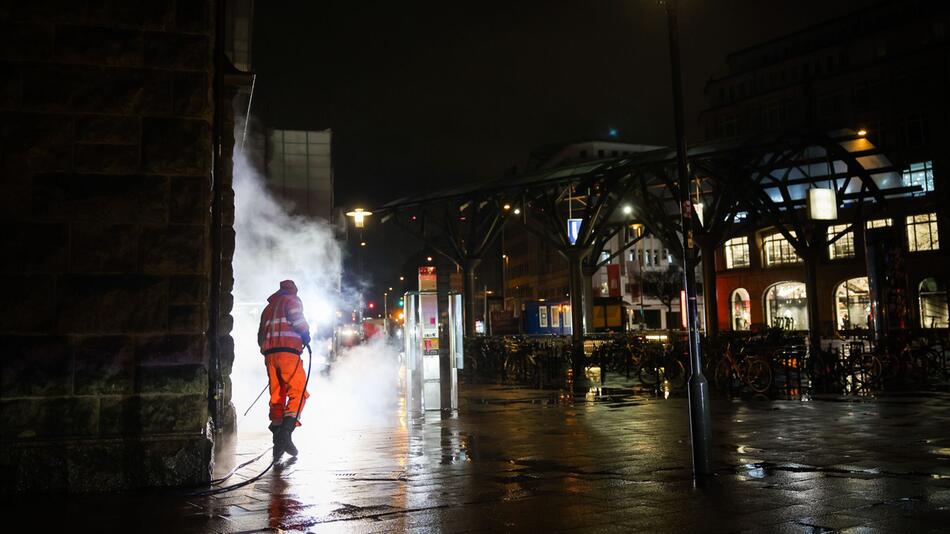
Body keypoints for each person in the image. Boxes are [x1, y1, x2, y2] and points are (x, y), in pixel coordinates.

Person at [258, 280, 311, 460]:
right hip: (288, 353)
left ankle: (278, 439)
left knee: (277, 394)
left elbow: (260, 334)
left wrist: (267, 349)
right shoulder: (292, 300)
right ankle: (285, 434)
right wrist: (306, 335)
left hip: (270, 355)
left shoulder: (268, 308)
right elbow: (298, 321)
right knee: (298, 391)